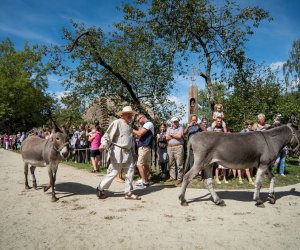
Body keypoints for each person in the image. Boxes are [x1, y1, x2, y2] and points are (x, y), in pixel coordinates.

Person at [97, 106, 141, 200]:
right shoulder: (117, 122)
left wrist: (133, 152)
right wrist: (103, 144)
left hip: (128, 152)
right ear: (123, 114)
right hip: (117, 151)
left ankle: (128, 192)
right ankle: (100, 188)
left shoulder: (129, 126)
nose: (130, 115)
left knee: (130, 171)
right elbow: (107, 135)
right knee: (114, 171)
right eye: (128, 114)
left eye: (131, 114)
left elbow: (131, 141)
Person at [133, 114, 154, 188]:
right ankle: (146, 181)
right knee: (145, 165)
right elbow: (139, 135)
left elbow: (139, 133)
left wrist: (130, 129)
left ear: (143, 117)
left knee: (139, 164)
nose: (139, 121)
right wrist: (139, 138)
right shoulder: (146, 125)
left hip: (144, 147)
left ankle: (144, 182)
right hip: (145, 147)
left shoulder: (148, 123)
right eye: (137, 120)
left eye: (139, 119)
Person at [233, 120, 255, 185]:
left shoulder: (253, 132)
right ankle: (243, 179)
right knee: (241, 165)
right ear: (246, 125)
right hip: (243, 150)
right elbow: (237, 138)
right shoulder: (243, 131)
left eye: (251, 124)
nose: (249, 126)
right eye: (248, 125)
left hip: (252, 150)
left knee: (251, 166)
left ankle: (250, 176)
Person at [166, 116, 184, 184]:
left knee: (179, 163)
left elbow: (179, 136)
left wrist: (171, 135)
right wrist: (175, 135)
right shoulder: (168, 128)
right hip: (170, 147)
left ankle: (179, 178)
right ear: (172, 122)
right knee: (171, 163)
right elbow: (167, 137)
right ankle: (172, 177)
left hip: (178, 147)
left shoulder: (180, 128)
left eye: (176, 121)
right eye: (174, 122)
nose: (176, 123)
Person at [212, 117, 228, 184]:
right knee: (217, 165)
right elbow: (209, 133)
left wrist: (224, 127)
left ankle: (224, 178)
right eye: (218, 121)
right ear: (216, 121)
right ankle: (217, 178)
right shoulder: (213, 127)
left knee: (223, 165)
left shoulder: (222, 127)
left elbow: (226, 135)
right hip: (215, 148)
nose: (219, 122)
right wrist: (213, 126)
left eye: (220, 121)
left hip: (222, 147)